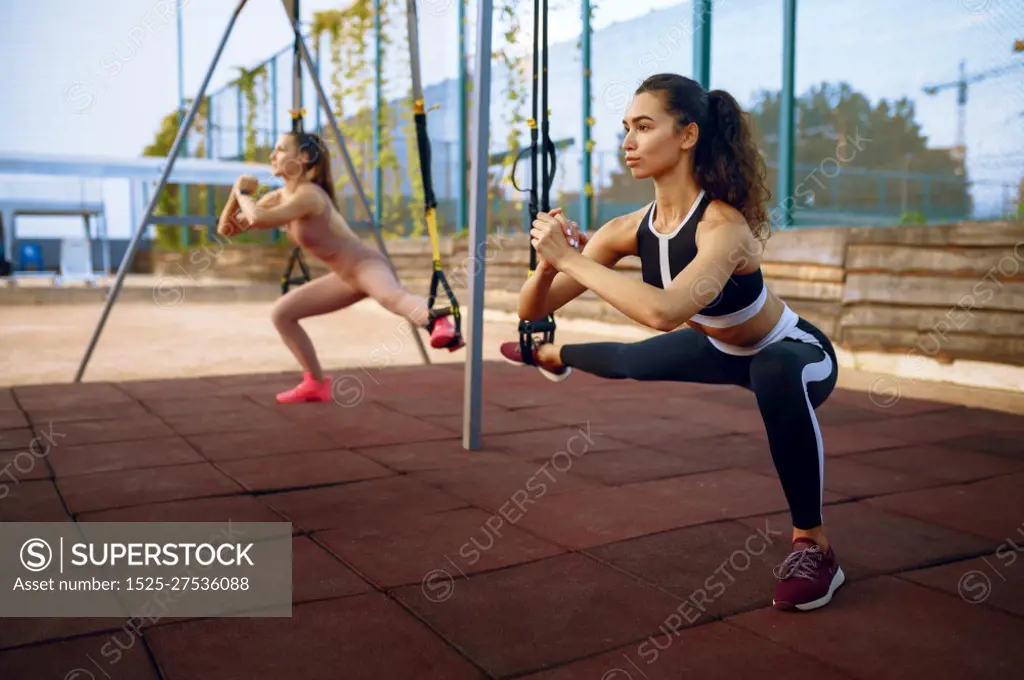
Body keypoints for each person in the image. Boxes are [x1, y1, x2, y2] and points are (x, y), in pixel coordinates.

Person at [499, 73, 843, 612]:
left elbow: (661, 313)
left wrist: (571, 260)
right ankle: (545, 354)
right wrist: (549, 265)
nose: (628, 142)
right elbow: (531, 309)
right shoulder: (628, 228)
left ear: (687, 136)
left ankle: (814, 546)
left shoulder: (723, 229)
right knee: (627, 362)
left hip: (796, 354)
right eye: (625, 128)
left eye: (643, 126)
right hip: (721, 351)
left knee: (772, 371)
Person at [217, 131, 462, 404]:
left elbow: (258, 218)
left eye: (281, 149)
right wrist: (234, 195)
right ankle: (316, 383)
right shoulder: (277, 197)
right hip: (344, 276)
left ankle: (439, 321)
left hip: (365, 264)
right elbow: (228, 229)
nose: (273, 156)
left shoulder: (310, 195)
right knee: (282, 313)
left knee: (390, 297)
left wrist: (243, 192)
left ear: (304, 157)